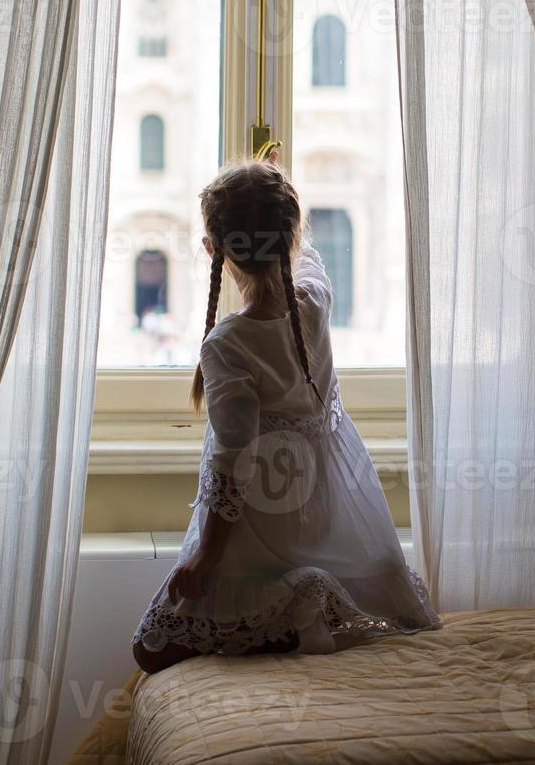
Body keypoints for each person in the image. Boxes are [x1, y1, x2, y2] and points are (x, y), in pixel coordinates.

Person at [131, 151, 438, 674]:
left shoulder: (228, 344)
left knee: (149, 649)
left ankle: (295, 613)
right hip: (326, 515)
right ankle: (307, 606)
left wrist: (205, 556)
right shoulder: (316, 302)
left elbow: (233, 464)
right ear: (292, 234)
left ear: (214, 250)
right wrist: (276, 185)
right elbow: (306, 255)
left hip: (257, 530)